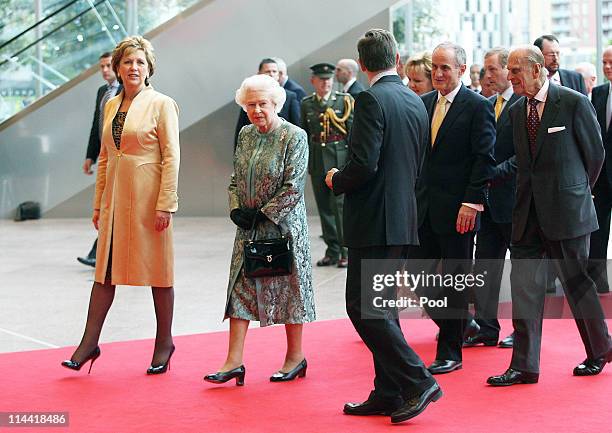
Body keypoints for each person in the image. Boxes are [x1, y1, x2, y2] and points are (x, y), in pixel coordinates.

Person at [326, 29, 441, 425]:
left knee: (364, 310)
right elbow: (418, 163)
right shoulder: (414, 99)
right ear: (395, 58)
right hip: (403, 219)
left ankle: (417, 381)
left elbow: (364, 165)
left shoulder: (370, 98)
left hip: (375, 222)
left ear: (362, 63)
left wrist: (335, 179)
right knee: (383, 309)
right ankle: (388, 391)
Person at [487, 45, 612, 387]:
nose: (510, 77)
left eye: (515, 70)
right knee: (524, 289)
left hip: (567, 212)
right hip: (526, 214)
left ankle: (600, 348)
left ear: (537, 69)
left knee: (576, 284)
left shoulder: (572, 102)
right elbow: (521, 163)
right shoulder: (516, 110)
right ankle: (524, 366)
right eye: (509, 71)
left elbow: (595, 155)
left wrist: (574, 191)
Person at [61, 36, 180, 375]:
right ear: (117, 67)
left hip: (149, 200)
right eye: (127, 62)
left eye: (140, 62)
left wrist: (166, 204)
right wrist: (98, 205)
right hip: (115, 198)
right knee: (105, 272)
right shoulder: (110, 105)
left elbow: (172, 157)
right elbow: (105, 157)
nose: (133, 67)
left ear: (149, 68)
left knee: (159, 272)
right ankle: (89, 343)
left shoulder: (162, 104)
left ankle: (164, 342)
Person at [204, 74, 315, 386]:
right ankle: (233, 362)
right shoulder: (246, 135)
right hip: (248, 229)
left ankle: (296, 357)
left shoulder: (295, 136)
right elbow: (235, 178)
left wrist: (264, 214)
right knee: (239, 290)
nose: (256, 110)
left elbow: (294, 186)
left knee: (290, 291)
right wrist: (236, 207)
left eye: (262, 103)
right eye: (250, 104)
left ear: (275, 103)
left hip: (283, 229)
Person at [411, 42, 496, 375]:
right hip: (425, 209)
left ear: (462, 69)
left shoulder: (477, 106)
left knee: (456, 281)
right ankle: (462, 324)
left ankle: (450, 351)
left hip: (461, 210)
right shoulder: (423, 103)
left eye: (445, 67)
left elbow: (484, 159)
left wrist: (472, 203)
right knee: (418, 275)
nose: (438, 73)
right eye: (435, 66)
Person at [465, 47, 520, 349]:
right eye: (485, 70)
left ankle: (522, 330)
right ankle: (486, 327)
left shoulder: (524, 104)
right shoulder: (486, 104)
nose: (486, 76)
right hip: (486, 202)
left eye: (491, 69)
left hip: (514, 201)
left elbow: (523, 156)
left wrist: (490, 173)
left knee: (522, 271)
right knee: (484, 267)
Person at [301, 63, 354, 268]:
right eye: (321, 79)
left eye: (329, 79)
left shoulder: (344, 101)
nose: (325, 82)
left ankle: (345, 251)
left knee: (340, 207)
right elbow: (305, 133)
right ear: (313, 81)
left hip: (338, 158)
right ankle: (332, 250)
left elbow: (351, 133)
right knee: (324, 208)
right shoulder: (307, 104)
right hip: (317, 158)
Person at [77, 52, 122, 268]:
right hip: (105, 157)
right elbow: (97, 126)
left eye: (108, 66)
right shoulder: (102, 92)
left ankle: (99, 252)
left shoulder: (128, 91)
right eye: (101, 67)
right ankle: (99, 252)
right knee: (106, 206)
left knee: (111, 207)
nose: (105, 70)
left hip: (121, 157)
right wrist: (90, 156)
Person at [587, 46, 612, 295]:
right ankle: (597, 281)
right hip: (602, 175)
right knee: (598, 230)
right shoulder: (600, 92)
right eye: (604, 62)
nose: (607, 68)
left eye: (611, 63)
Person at [233, 58, 300, 150]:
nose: (271, 74)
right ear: (259, 74)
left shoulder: (290, 96)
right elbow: (241, 127)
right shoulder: (248, 96)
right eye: (268, 71)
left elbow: (297, 123)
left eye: (274, 71)